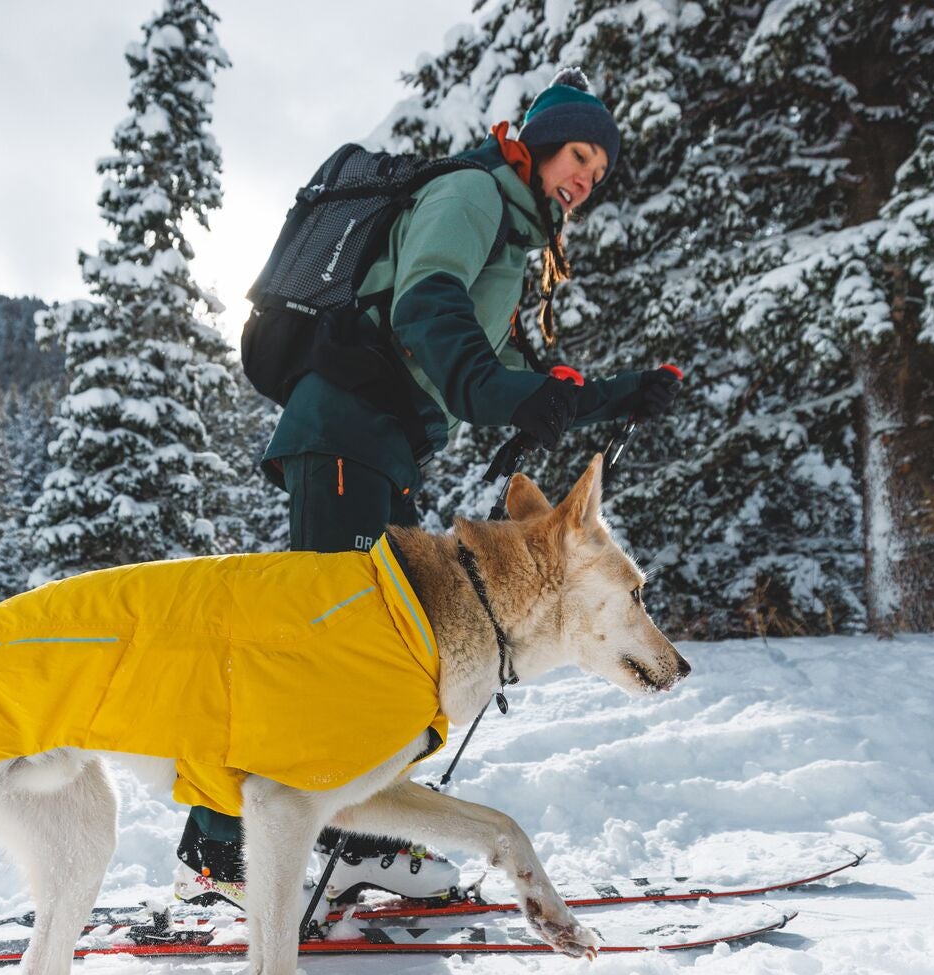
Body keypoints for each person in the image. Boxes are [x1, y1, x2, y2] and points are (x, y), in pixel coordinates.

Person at [173, 67, 682, 908]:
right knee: (332, 649)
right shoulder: (472, 194)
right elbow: (427, 310)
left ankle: (355, 835)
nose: (587, 176)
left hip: (382, 448)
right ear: (542, 144)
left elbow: (518, 371)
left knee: (382, 656)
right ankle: (220, 852)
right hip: (344, 431)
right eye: (579, 154)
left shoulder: (514, 239)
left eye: (600, 169)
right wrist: (505, 390)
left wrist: (621, 391)